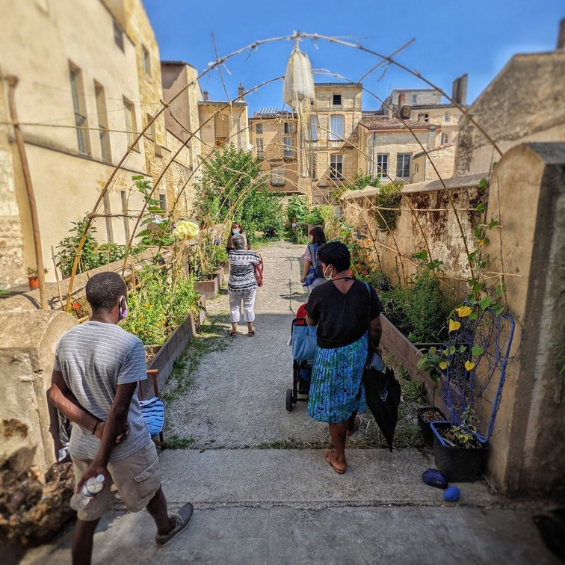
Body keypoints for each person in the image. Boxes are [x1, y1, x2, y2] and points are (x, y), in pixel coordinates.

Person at [48, 272, 192, 565]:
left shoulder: (67, 340)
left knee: (86, 517)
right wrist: (102, 462)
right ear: (121, 302)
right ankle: (166, 528)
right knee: (151, 489)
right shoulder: (128, 344)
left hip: (83, 448)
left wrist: (92, 428)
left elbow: (55, 394)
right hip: (127, 449)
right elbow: (120, 409)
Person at [305, 241, 383, 474]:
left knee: (334, 404)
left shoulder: (320, 292)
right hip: (357, 351)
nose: (320, 268)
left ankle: (339, 458)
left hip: (330, 355)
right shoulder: (366, 289)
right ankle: (350, 425)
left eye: (322, 265)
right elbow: (376, 327)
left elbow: (310, 321)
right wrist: (375, 347)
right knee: (352, 389)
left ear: (329, 267)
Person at [227, 233, 261, 337]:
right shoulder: (251, 254)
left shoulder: (231, 255)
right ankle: (250, 329)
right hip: (249, 285)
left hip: (234, 286)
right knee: (249, 306)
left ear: (234, 244)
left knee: (234, 307)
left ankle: (234, 330)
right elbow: (258, 260)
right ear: (244, 244)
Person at [300, 226, 327, 293]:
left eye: (311, 235)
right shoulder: (328, 246)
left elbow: (307, 264)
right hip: (327, 277)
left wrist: (303, 276)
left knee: (314, 299)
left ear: (314, 236)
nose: (310, 237)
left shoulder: (310, 247)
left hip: (314, 277)